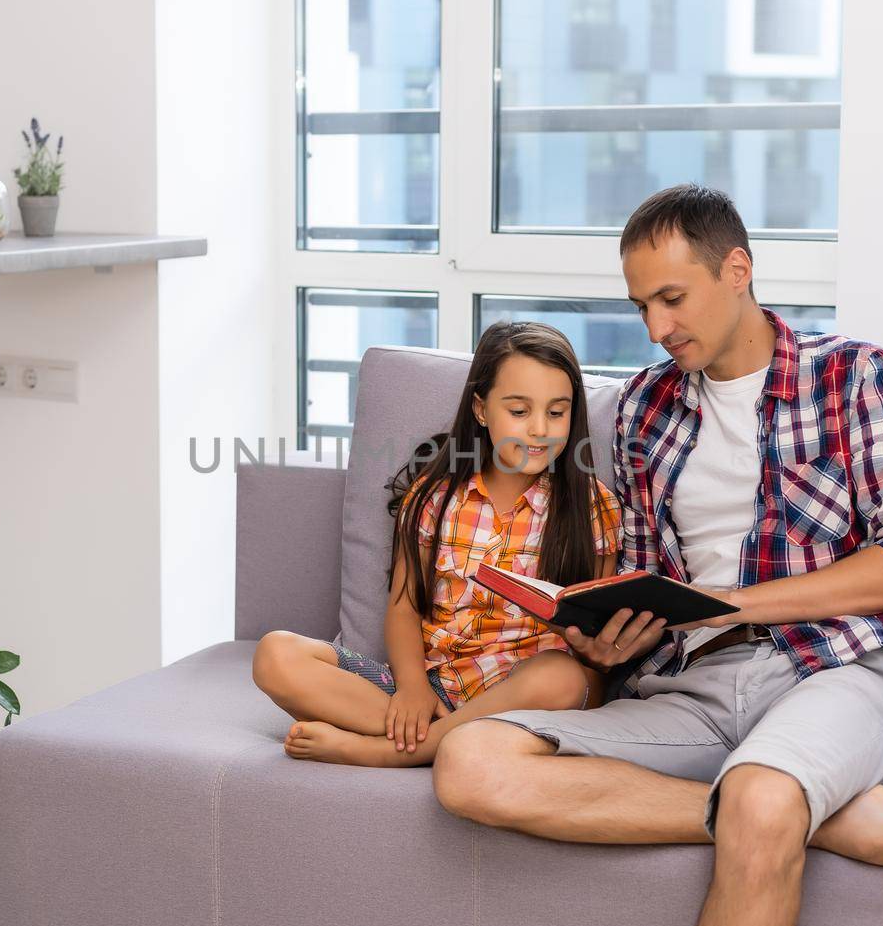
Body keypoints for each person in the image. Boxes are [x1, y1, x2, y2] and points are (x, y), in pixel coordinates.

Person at [431, 184, 883, 926]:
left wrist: (738, 604)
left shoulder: (857, 376)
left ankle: (779, 807)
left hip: (846, 667)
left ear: (737, 269)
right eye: (641, 305)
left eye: (672, 298)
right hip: (696, 681)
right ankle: (815, 819)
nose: (657, 328)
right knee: (471, 760)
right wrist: (611, 631)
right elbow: (656, 576)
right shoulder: (644, 409)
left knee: (762, 796)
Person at [252, 321, 624, 767]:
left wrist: (592, 667)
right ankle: (431, 734)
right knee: (275, 654)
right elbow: (404, 606)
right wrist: (410, 688)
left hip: (520, 697)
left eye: (557, 412)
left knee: (562, 678)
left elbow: (594, 643)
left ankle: (394, 750)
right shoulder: (436, 496)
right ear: (482, 410)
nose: (540, 429)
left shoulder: (592, 508)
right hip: (430, 690)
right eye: (519, 412)